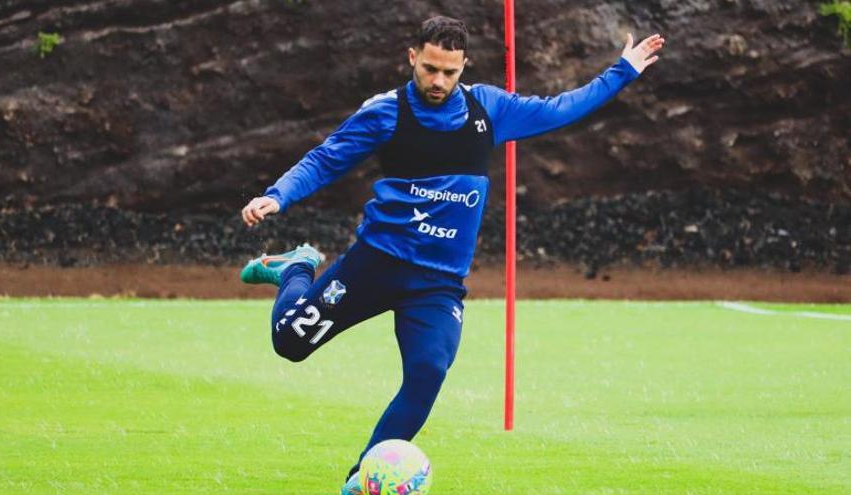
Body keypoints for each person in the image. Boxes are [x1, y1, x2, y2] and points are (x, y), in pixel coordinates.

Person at [239, 16, 664, 494]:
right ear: (412, 58)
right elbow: (326, 158)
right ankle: (296, 266)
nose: (438, 81)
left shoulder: (489, 110)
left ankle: (362, 478)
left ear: (465, 67)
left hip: (437, 285)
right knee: (289, 344)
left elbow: (560, 109)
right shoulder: (386, 113)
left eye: (450, 72)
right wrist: (278, 195)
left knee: (428, 371)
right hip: (374, 266)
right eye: (430, 69)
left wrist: (621, 71)